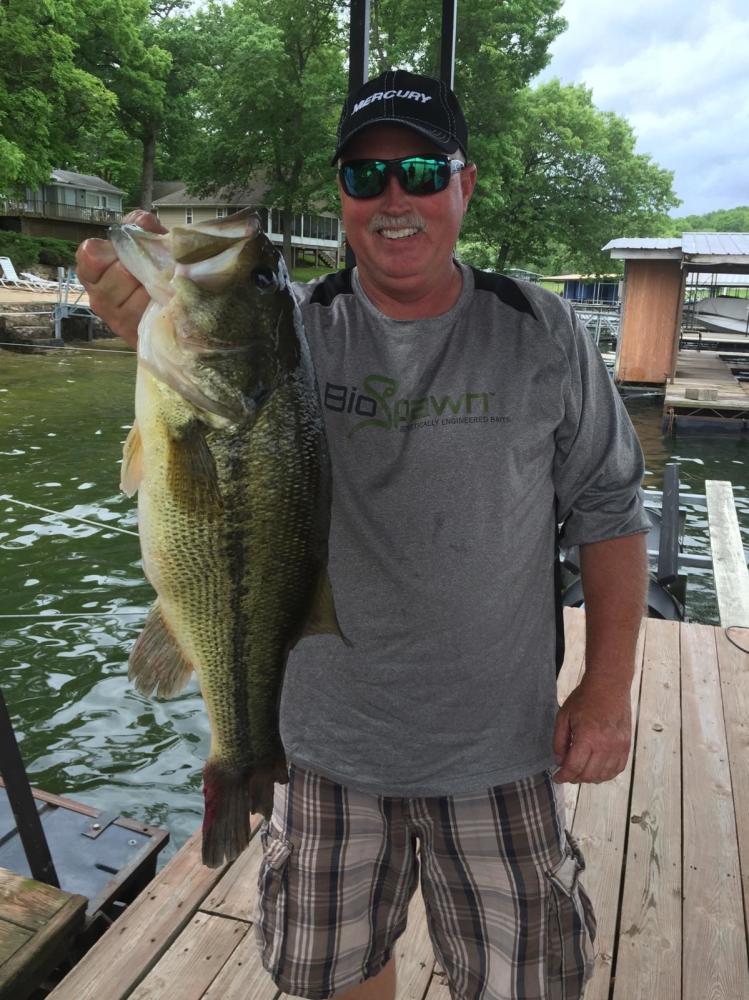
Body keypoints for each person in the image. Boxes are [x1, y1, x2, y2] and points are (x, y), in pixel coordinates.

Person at [76, 69, 649, 1000]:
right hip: (318, 748)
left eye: (421, 172)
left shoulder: (538, 329)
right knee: (340, 976)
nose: (394, 199)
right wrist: (150, 312)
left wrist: (608, 688)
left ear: (463, 185)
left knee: (526, 984)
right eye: (365, 177)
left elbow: (611, 509)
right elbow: (198, 376)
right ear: (341, 197)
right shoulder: (290, 328)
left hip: (499, 747)